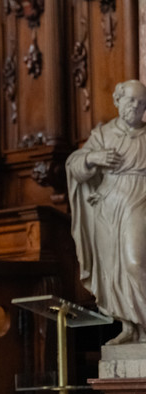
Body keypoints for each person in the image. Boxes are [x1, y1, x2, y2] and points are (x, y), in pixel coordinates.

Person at [66, 80, 146, 344]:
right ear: (117, 100)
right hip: (107, 207)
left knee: (134, 263)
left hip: (139, 199)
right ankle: (130, 328)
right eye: (131, 100)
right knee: (112, 270)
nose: (136, 106)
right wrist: (92, 158)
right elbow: (74, 165)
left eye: (141, 102)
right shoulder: (103, 134)